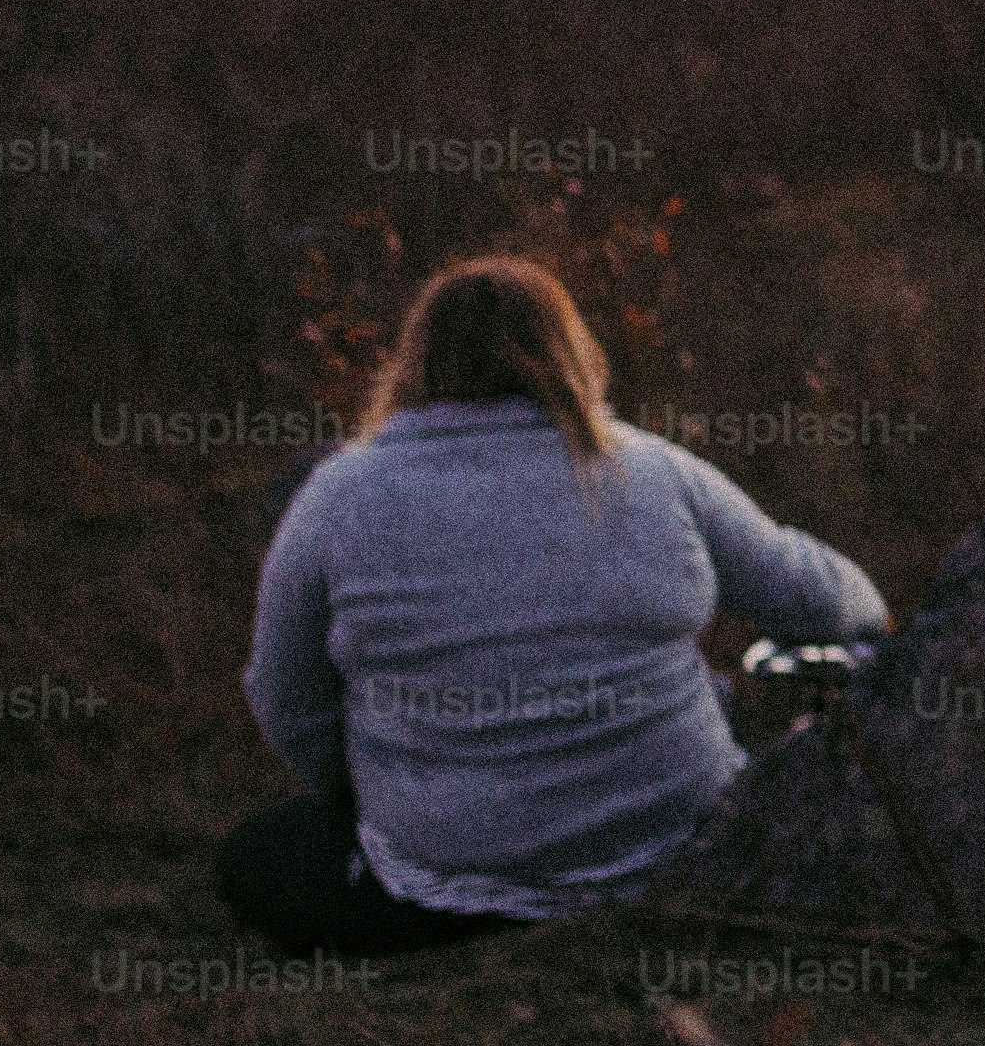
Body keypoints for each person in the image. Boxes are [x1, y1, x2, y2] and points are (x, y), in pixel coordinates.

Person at [220, 255, 889, 956]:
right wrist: (870, 605)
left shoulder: (341, 492)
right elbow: (824, 600)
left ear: (415, 361)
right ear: (570, 354)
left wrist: (368, 786)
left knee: (258, 856)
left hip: (447, 885)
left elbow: (283, 695)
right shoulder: (654, 471)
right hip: (673, 859)